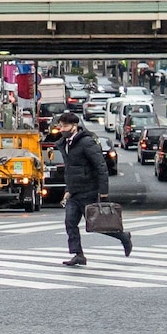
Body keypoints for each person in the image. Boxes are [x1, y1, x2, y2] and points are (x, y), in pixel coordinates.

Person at [55, 112, 132, 266]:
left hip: (88, 190)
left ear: (74, 126)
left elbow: (101, 166)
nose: (62, 129)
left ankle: (123, 236)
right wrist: (67, 190)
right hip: (74, 192)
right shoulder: (64, 143)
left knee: (97, 224)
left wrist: (103, 192)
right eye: (60, 126)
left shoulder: (86, 142)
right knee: (70, 223)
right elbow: (70, 170)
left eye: (65, 126)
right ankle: (78, 254)